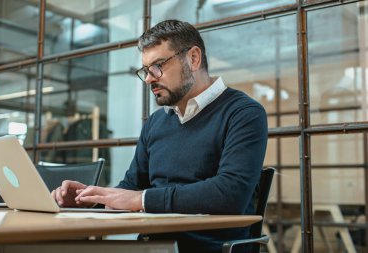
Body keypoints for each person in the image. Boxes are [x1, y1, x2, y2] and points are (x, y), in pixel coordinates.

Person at [52, 19, 268, 253]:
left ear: (193, 58)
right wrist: (92, 199)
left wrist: (140, 200)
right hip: (152, 247)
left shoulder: (243, 113)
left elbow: (230, 192)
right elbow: (132, 186)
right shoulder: (156, 122)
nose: (148, 78)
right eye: (145, 70)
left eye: (158, 65)